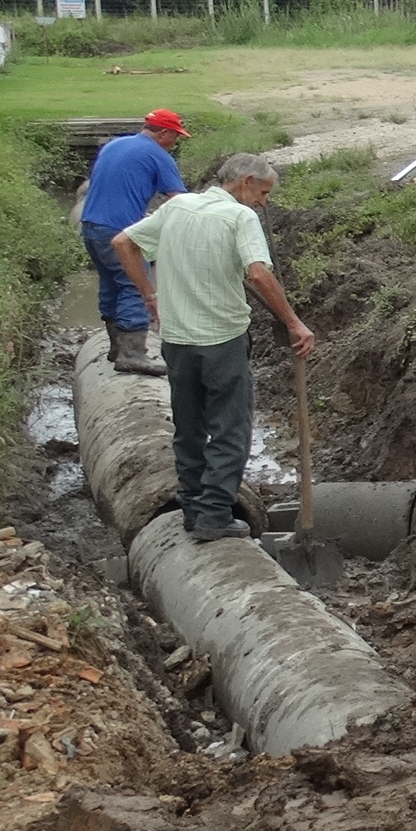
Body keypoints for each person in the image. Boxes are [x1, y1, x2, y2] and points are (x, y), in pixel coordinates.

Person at [109, 154, 316, 544]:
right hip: (222, 339)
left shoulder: (177, 206)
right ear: (246, 182)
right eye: (264, 193)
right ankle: (216, 514)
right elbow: (258, 271)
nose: (263, 203)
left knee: (188, 427)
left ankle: (192, 508)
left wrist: (149, 295)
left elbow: (123, 242)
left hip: (177, 339)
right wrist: (293, 322)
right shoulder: (240, 218)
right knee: (229, 428)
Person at [78, 109, 191, 377]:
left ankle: (116, 347)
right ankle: (133, 354)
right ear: (163, 134)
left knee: (109, 283)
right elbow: (180, 201)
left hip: (91, 225)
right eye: (175, 137)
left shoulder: (115, 144)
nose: (175, 142)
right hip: (119, 231)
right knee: (133, 284)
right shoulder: (157, 155)